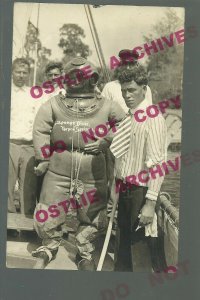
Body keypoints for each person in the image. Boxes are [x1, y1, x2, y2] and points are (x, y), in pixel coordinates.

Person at [31, 57, 126, 271]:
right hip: (58, 168)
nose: (74, 80)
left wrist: (107, 140)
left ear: (92, 79)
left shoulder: (107, 106)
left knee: (92, 211)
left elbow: (126, 125)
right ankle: (49, 245)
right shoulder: (54, 104)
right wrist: (43, 158)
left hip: (93, 169)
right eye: (70, 76)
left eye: (79, 76)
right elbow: (40, 130)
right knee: (50, 207)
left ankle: (85, 251)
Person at [110, 63, 167, 271]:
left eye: (132, 90)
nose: (126, 95)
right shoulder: (130, 117)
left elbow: (158, 164)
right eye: (123, 90)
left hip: (141, 193)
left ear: (144, 89)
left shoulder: (152, 117)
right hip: (125, 190)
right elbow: (124, 156)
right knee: (123, 252)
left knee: (139, 254)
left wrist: (150, 204)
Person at [8, 58, 38, 214]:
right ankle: (8, 225)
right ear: (12, 72)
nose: (21, 75)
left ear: (28, 75)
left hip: (28, 146)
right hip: (9, 144)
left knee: (28, 185)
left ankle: (26, 222)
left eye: (24, 72)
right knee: (6, 185)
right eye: (18, 72)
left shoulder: (34, 95)